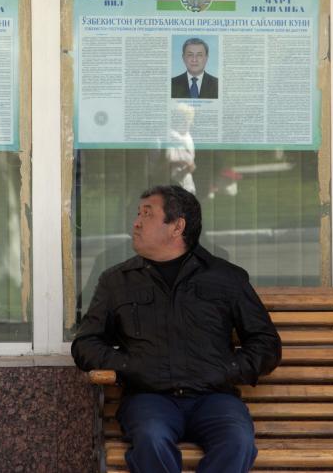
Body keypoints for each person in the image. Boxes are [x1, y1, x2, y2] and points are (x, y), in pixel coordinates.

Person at [72, 185, 280, 473]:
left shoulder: (226, 278)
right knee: (151, 439)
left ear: (177, 226)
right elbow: (85, 344)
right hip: (150, 399)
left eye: (147, 214)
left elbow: (266, 344)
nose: (136, 222)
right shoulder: (117, 281)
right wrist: (131, 366)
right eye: (138, 214)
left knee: (237, 442)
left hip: (214, 399)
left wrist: (225, 370)